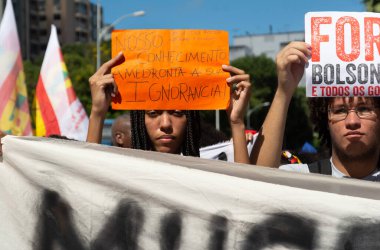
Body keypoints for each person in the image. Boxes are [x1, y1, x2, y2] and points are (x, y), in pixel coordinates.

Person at [246, 41, 380, 181]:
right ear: (325, 119)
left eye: (364, 109)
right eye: (340, 111)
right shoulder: (304, 180)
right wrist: (283, 92)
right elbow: (258, 180)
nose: (352, 121)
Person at [87, 52, 251, 162]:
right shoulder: (121, 171)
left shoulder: (207, 174)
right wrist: (97, 113)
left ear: (190, 119)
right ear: (139, 120)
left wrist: (236, 122)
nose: (165, 124)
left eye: (177, 113)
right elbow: (85, 186)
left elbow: (242, 194)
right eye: (153, 113)